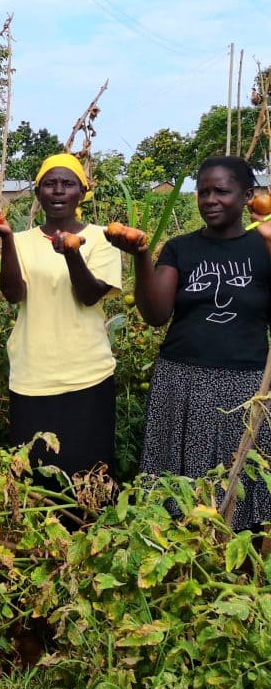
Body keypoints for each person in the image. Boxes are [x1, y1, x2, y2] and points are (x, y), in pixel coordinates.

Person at [108, 155, 271, 529]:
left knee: (240, 475)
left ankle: (234, 557)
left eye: (222, 191)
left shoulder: (262, 248)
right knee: (177, 475)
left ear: (247, 196)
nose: (210, 199)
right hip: (181, 380)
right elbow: (155, 314)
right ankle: (174, 553)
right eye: (203, 192)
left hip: (245, 384)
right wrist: (142, 256)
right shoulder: (181, 248)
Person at [0, 152, 121, 476]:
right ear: (38, 193)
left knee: (89, 476)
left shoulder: (100, 238)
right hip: (32, 375)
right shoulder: (23, 241)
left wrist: (71, 253)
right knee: (35, 475)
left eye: (67, 184)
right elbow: (14, 294)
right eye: (49, 184)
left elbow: (89, 294)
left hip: (88, 375)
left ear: (81, 192)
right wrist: (7, 239)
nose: (57, 191)